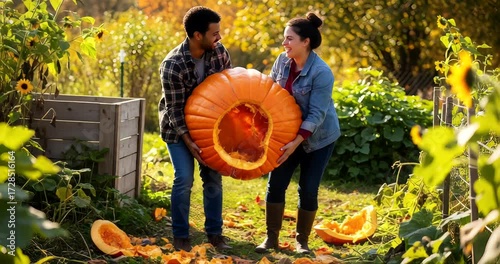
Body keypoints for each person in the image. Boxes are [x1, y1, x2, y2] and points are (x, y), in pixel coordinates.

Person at [255, 12, 341, 254]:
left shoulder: (321, 73)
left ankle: (301, 242)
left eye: (289, 39)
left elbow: (316, 114)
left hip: (318, 138)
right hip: (286, 134)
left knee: (308, 187)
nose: (284, 44)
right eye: (284, 38)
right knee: (276, 184)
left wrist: (296, 143)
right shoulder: (281, 62)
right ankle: (271, 238)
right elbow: (270, 94)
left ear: (306, 42)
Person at [158, 6, 232, 252]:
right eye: (214, 33)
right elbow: (174, 111)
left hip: (210, 128)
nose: (219, 38)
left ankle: (215, 234)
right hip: (178, 129)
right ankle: (181, 234)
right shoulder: (173, 65)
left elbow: (230, 89)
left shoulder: (220, 53)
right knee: (184, 179)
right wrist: (189, 142)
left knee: (213, 177)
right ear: (197, 35)